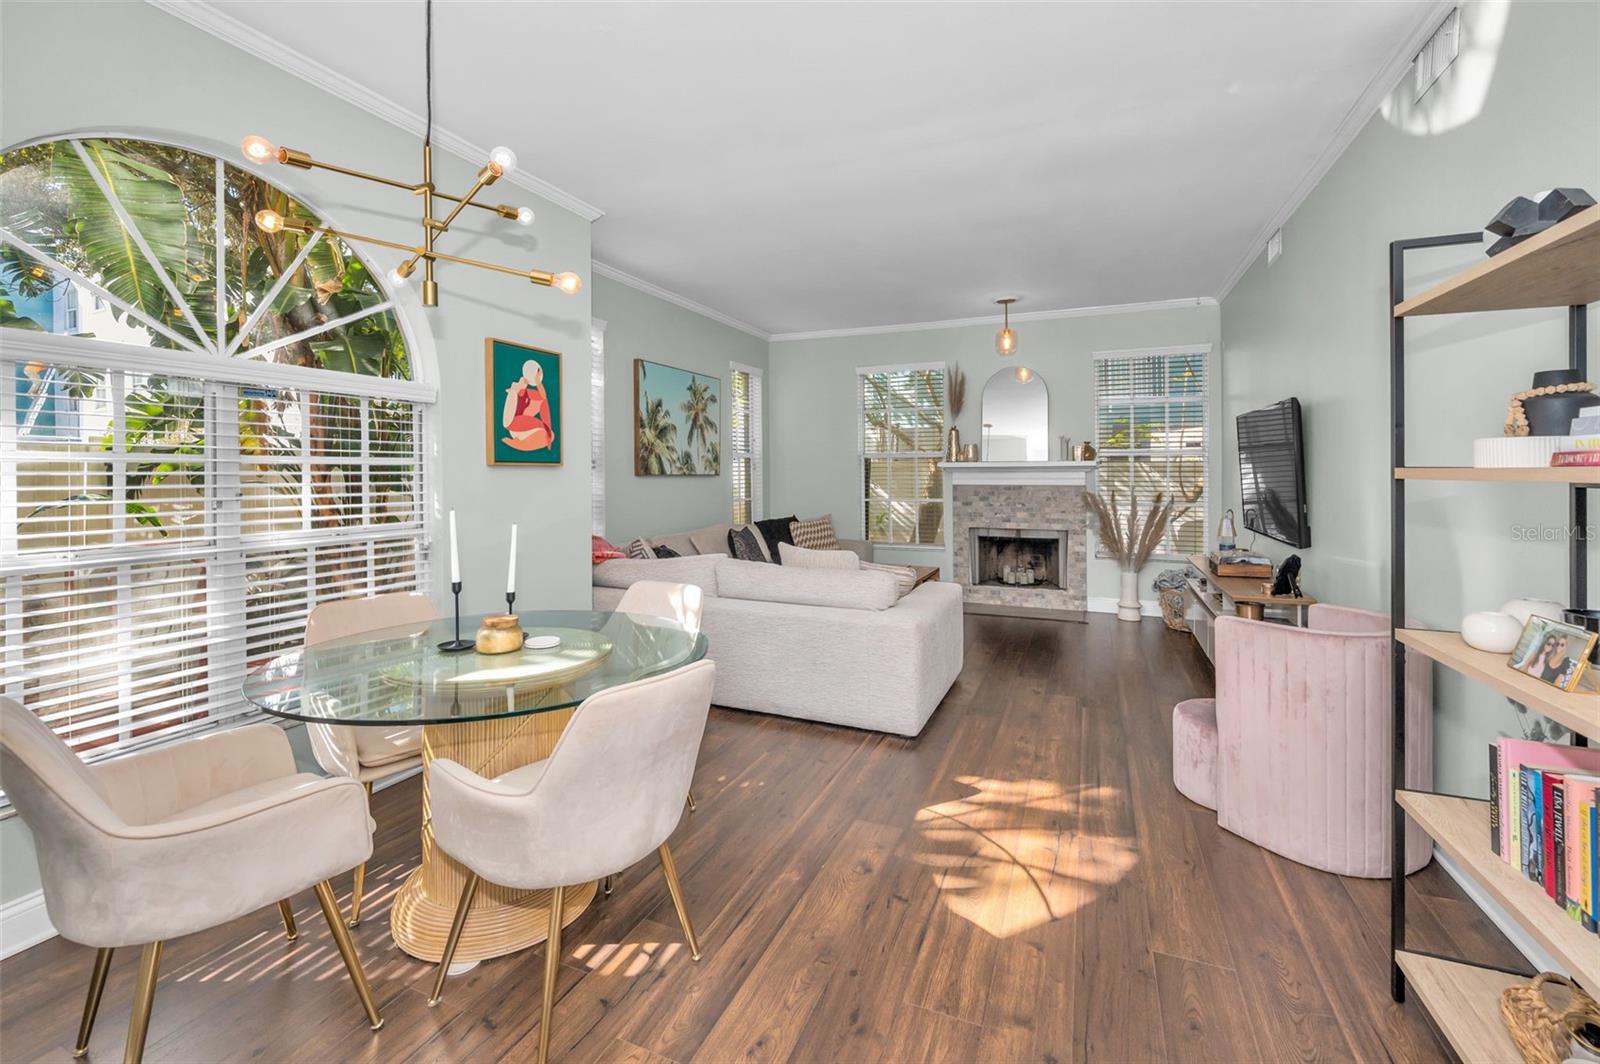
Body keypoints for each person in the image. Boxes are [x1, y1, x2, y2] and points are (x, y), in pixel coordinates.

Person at [501, 359, 554, 452]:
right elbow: (507, 422)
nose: (523, 380)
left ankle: (520, 443)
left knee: (550, 435)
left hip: (525, 429)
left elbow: (543, 398)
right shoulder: (514, 393)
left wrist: (538, 383)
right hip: (514, 425)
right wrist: (515, 390)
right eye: (520, 380)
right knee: (546, 435)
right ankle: (519, 444)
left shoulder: (527, 393)